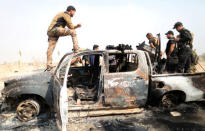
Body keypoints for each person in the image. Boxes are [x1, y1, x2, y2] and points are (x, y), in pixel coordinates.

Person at [46, 5, 81, 70]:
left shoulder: (62, 15)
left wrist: (76, 26)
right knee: (73, 32)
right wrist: (76, 26)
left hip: (50, 32)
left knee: (50, 49)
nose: (74, 14)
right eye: (74, 12)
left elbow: (70, 26)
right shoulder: (66, 15)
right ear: (71, 11)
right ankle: (76, 50)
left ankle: (49, 65)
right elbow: (71, 27)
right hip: (55, 30)